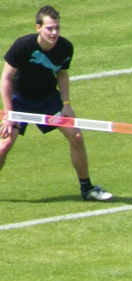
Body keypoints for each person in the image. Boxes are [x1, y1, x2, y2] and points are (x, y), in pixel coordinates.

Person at [0, 5, 112, 201]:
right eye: (49, 28)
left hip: (48, 101)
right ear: (38, 28)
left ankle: (87, 189)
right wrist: (9, 114)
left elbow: (62, 73)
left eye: (57, 28)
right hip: (20, 101)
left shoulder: (65, 48)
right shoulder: (23, 45)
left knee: (76, 136)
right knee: (4, 145)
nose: (54, 33)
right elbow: (6, 78)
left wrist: (66, 104)